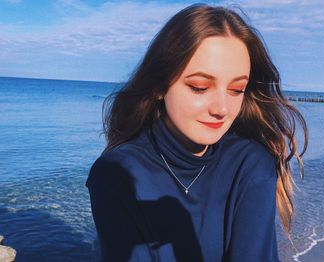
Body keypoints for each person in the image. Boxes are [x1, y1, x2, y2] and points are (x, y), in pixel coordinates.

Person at [86, 3, 308, 262]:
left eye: (236, 90)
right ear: (159, 85)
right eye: (200, 87)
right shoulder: (116, 174)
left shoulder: (250, 164)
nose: (222, 109)